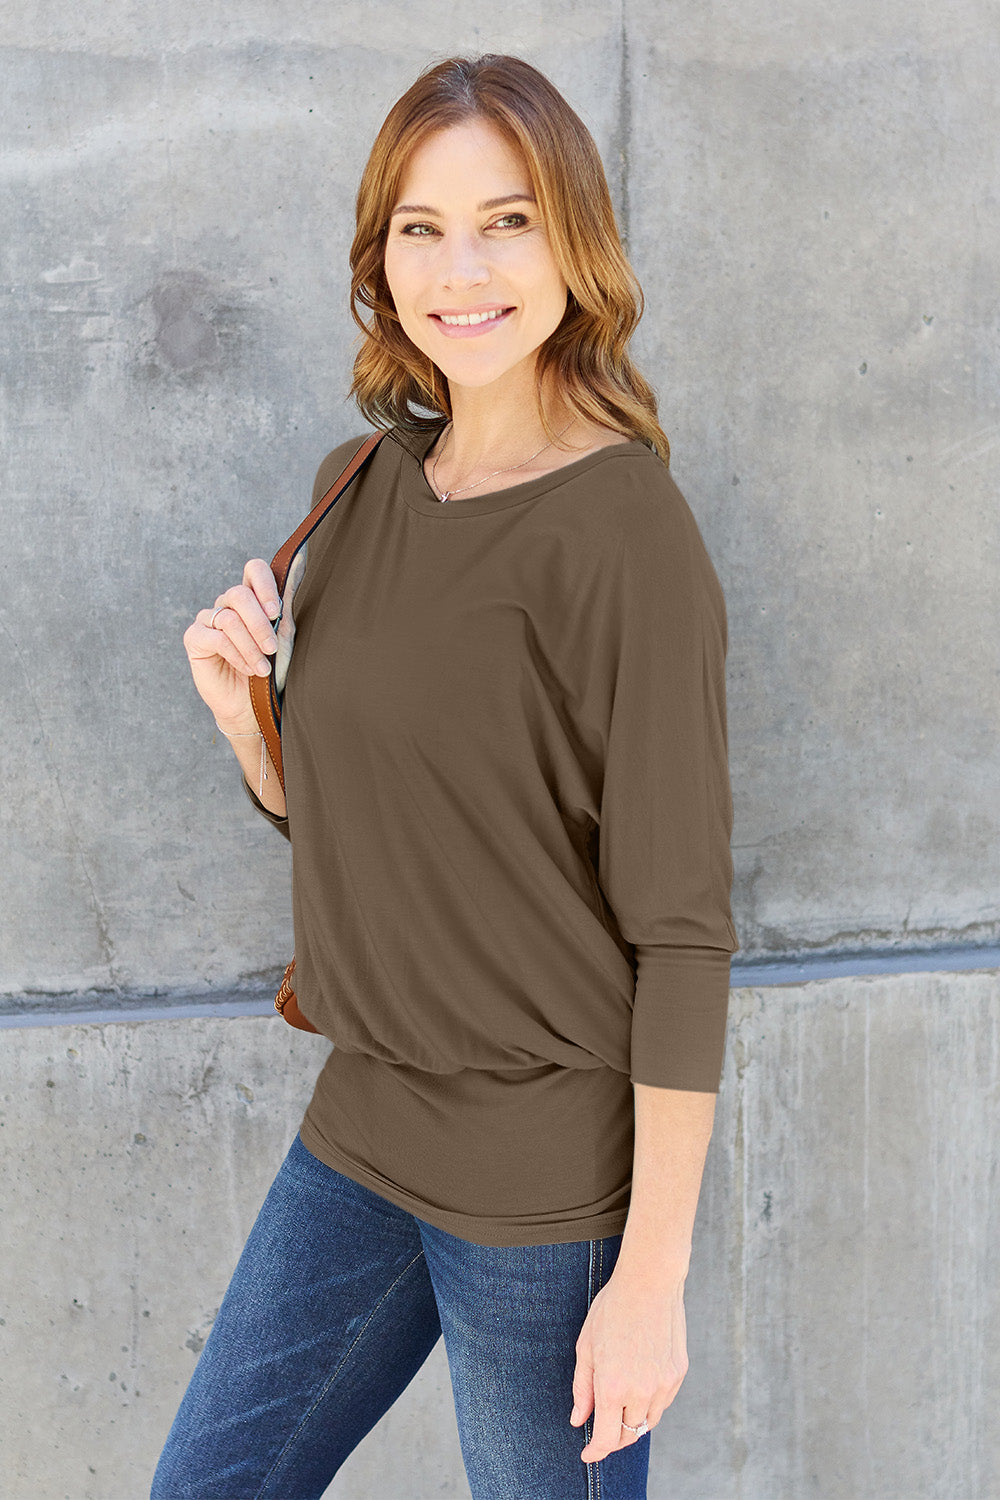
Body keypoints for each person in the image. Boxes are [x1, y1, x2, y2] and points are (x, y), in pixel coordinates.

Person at [156, 52, 739, 1500]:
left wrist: (651, 1282)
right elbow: (376, 825)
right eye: (422, 227)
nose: (461, 268)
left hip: (545, 1181)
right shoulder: (353, 493)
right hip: (362, 1122)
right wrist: (247, 723)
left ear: (575, 246)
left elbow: (681, 931)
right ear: (382, 257)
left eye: (508, 221)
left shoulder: (624, 534)